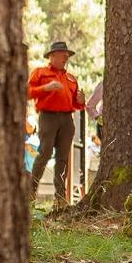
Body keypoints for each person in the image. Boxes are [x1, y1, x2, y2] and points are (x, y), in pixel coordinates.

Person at [27, 41, 84, 204]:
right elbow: (27, 93)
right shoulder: (40, 73)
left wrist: (81, 101)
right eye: (62, 54)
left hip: (67, 120)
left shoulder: (71, 79)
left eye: (67, 55)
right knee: (44, 152)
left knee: (63, 158)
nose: (66, 56)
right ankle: (31, 192)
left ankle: (60, 198)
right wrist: (46, 88)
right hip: (48, 117)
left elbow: (75, 103)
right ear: (52, 56)